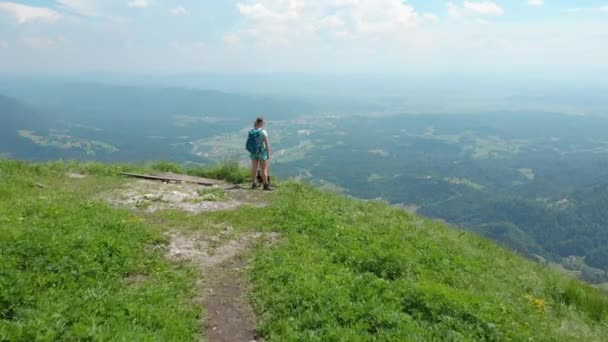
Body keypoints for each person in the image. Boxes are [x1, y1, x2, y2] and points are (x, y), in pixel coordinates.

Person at [247, 117, 271, 190]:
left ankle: (254, 184)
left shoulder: (251, 131)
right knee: (264, 169)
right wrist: (268, 153)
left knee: (254, 168)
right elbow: (266, 144)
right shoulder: (263, 132)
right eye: (263, 123)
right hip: (262, 152)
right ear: (260, 123)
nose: (264, 124)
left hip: (253, 152)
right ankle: (265, 185)